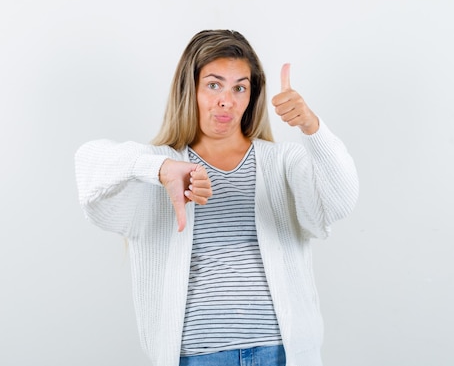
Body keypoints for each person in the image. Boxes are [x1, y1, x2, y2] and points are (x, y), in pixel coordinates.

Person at [74, 30, 359, 366]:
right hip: (197, 357)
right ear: (190, 89)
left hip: (281, 353)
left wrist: (313, 128)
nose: (227, 100)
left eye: (240, 87)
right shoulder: (158, 165)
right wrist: (161, 168)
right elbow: (89, 165)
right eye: (214, 84)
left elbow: (339, 201)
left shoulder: (283, 162)